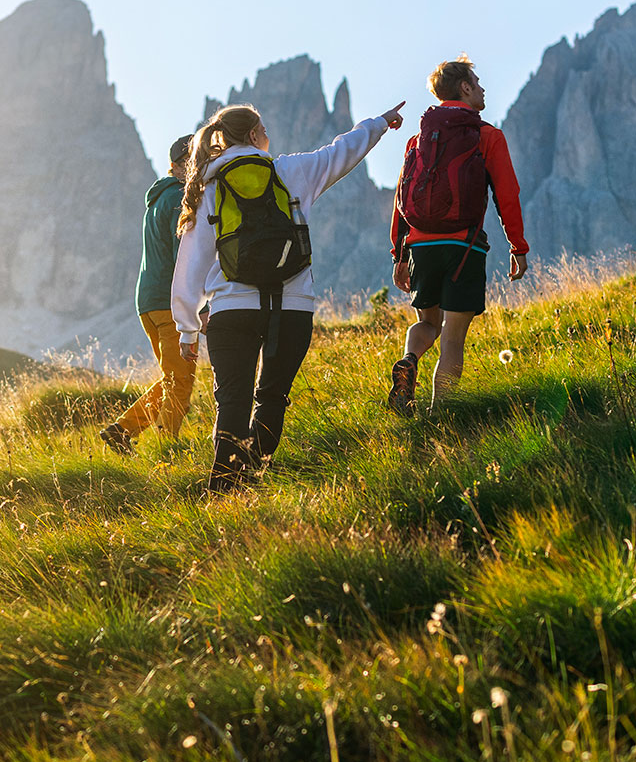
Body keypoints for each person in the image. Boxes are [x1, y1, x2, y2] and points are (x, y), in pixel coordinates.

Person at [171, 100, 405, 491]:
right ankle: (253, 474)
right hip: (292, 308)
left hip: (231, 311)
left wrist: (187, 328)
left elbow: (190, 262)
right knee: (273, 398)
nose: (268, 137)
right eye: (264, 131)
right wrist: (379, 124)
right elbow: (341, 153)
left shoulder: (208, 186)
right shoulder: (291, 171)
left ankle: (225, 492)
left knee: (232, 404)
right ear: (253, 136)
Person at [385, 55, 529, 415]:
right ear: (464, 87)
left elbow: (401, 198)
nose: (482, 89)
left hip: (420, 245)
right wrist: (518, 246)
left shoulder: (418, 140)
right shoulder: (487, 136)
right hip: (464, 247)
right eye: (477, 83)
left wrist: (399, 255)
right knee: (452, 339)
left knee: (427, 324)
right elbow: (507, 195)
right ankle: (441, 417)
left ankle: (408, 359)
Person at [100, 135, 199, 455]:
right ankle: (166, 449)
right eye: (195, 160)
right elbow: (181, 258)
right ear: (178, 166)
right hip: (168, 302)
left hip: (148, 302)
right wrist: (201, 304)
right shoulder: (179, 199)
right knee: (181, 382)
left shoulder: (158, 198)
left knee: (173, 377)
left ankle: (121, 431)